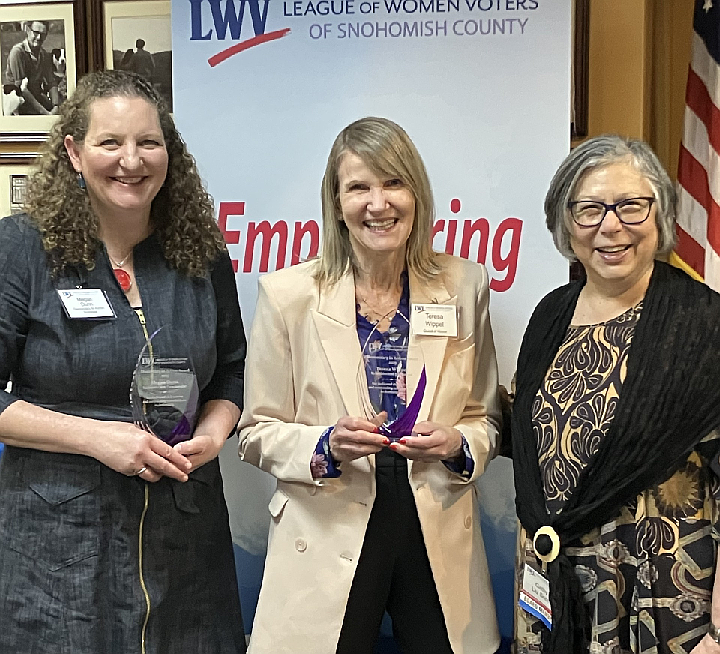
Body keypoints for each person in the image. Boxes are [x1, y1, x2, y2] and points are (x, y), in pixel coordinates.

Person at [0, 70, 247, 654]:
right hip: (59, 544)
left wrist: (212, 435)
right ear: (74, 151)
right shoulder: (22, 249)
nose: (131, 160)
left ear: (170, 152)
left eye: (148, 142)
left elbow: (232, 370)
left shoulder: (202, 252)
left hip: (186, 536)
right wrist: (94, 438)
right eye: (110, 143)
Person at [239, 116, 501, 654]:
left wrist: (458, 443)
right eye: (358, 186)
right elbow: (255, 431)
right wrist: (323, 444)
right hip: (326, 519)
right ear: (336, 203)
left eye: (393, 183)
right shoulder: (287, 294)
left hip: (435, 525)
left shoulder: (465, 285)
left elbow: (485, 416)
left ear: (416, 194)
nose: (377, 203)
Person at [511, 135, 720, 654]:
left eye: (631, 206)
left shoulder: (703, 325)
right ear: (565, 223)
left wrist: (719, 633)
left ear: (661, 213)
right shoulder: (549, 315)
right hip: (553, 590)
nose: (610, 226)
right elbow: (539, 438)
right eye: (589, 209)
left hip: (663, 604)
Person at [6, 20, 59, 115]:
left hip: (37, 99)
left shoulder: (44, 54)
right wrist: (45, 113)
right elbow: (22, 88)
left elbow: (51, 82)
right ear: (28, 30)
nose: (39, 38)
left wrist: (56, 106)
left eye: (43, 34)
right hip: (18, 101)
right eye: (36, 33)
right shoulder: (18, 52)